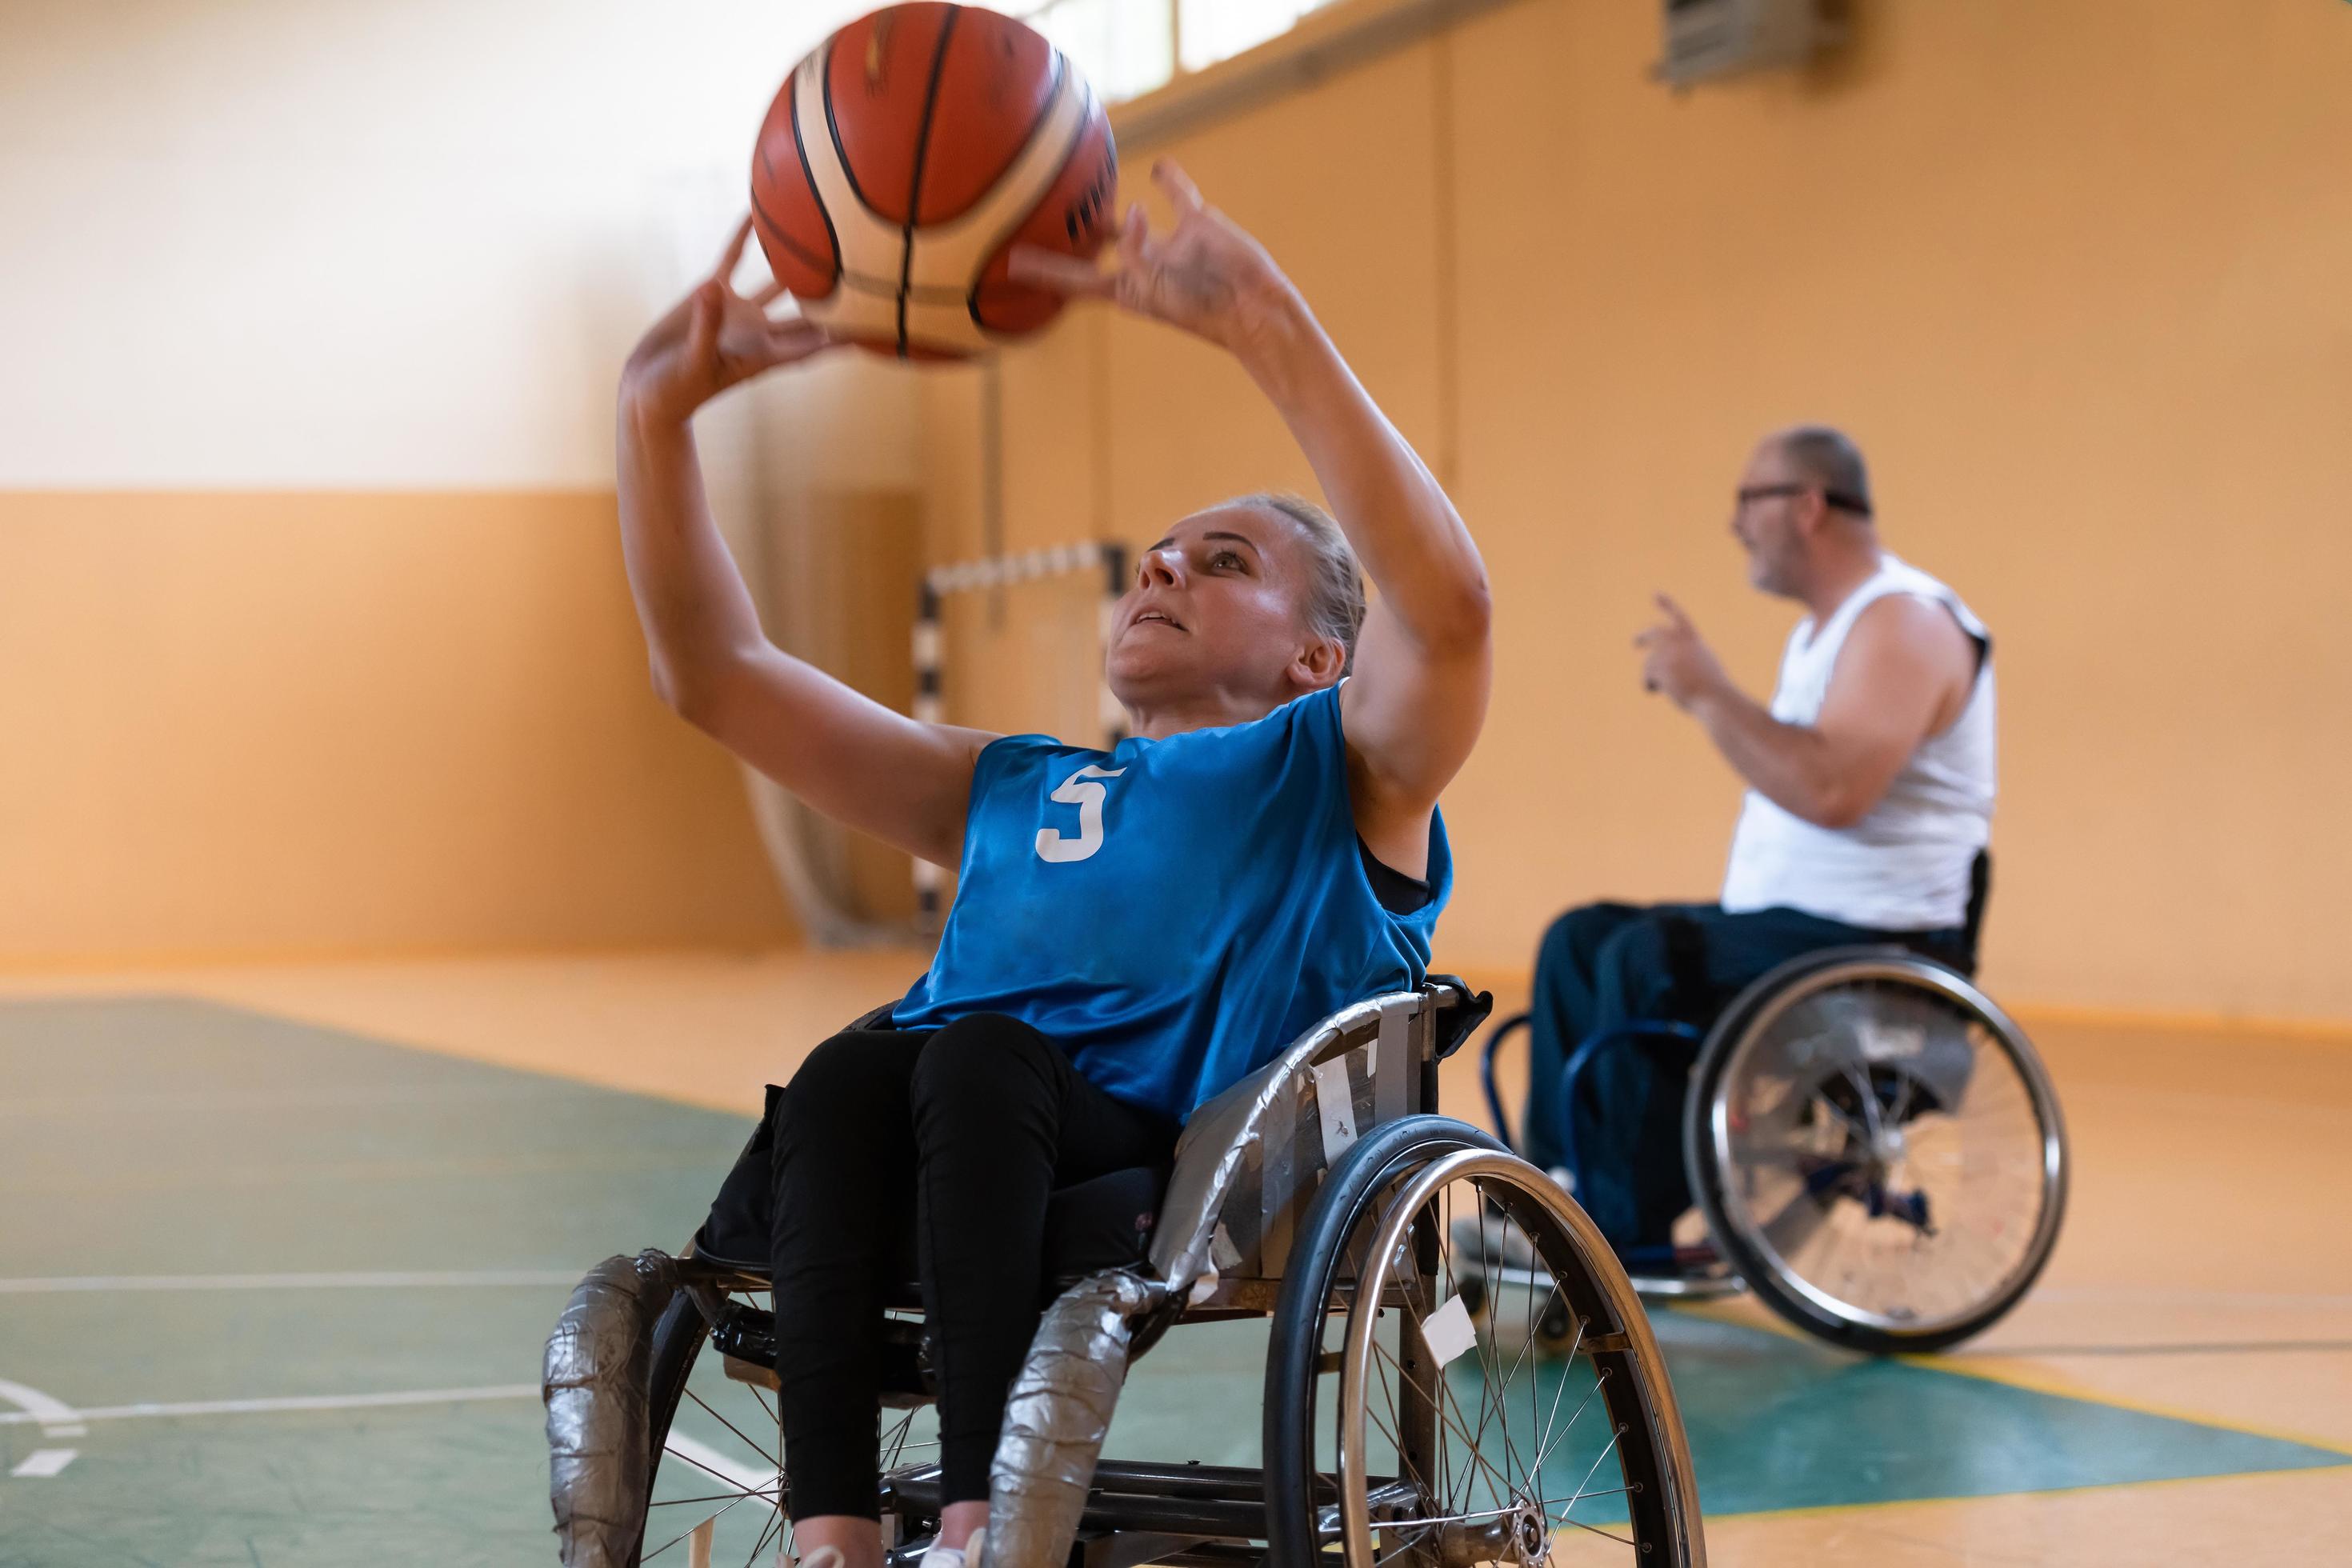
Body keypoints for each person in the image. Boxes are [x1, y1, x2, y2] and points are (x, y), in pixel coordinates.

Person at [615, 161, 1490, 1568]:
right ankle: (835, 1528)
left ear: (1316, 657)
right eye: (1154, 558)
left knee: (973, 1058)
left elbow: (1447, 614)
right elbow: (717, 675)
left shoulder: (1342, 765)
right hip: (955, 1138)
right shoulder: (1011, 781)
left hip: (1173, 1151)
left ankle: (975, 1521)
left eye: (1220, 562)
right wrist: (652, 416)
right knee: (851, 1074)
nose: (1161, 570)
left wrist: (1261, 319)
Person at [1523, 426, 1994, 1271]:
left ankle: (1614, 1232)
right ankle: (1562, 1183)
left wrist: (1706, 691)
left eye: (1749, 500)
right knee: (1579, 938)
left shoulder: (1904, 622)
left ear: (1808, 507)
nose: (1735, 524)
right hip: (1797, 928)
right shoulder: (1829, 631)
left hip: (1876, 942)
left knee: (1645, 959)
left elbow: (1833, 790)